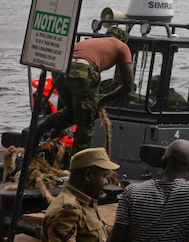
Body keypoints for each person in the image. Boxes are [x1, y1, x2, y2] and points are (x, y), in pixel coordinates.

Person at [31, 27, 134, 159]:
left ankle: (37, 132)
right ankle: (76, 169)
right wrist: (101, 101)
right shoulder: (122, 46)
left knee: (74, 111)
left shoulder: (91, 42)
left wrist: (59, 127)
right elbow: (127, 86)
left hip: (60, 71)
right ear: (122, 39)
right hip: (83, 71)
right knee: (87, 122)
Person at [41, 147, 117, 242]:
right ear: (88, 175)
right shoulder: (67, 211)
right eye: (104, 177)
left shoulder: (85, 204)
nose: (107, 182)